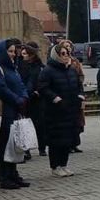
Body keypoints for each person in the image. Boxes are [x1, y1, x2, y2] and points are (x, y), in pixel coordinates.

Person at [0, 39, 30, 189]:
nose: (13, 54)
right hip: (4, 111)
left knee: (14, 144)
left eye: (13, 51)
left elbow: (21, 85)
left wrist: (24, 97)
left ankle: (13, 173)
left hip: (16, 110)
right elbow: (1, 88)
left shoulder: (13, 68)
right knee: (3, 144)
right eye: (9, 51)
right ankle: (3, 175)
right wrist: (17, 99)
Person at [38, 41, 84, 177]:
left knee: (67, 141)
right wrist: (55, 98)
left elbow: (78, 85)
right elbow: (43, 87)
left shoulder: (71, 70)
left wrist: (80, 95)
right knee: (56, 141)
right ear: (56, 55)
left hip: (70, 111)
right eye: (62, 54)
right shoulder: (48, 71)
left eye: (67, 53)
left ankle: (64, 165)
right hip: (55, 112)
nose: (66, 56)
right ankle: (55, 166)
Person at [21, 43, 46, 156]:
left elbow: (42, 80)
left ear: (31, 55)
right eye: (22, 54)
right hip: (26, 99)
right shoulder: (21, 66)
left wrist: (38, 91)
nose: (23, 56)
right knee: (26, 125)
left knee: (40, 125)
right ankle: (27, 149)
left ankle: (42, 147)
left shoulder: (39, 66)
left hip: (38, 99)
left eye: (25, 54)